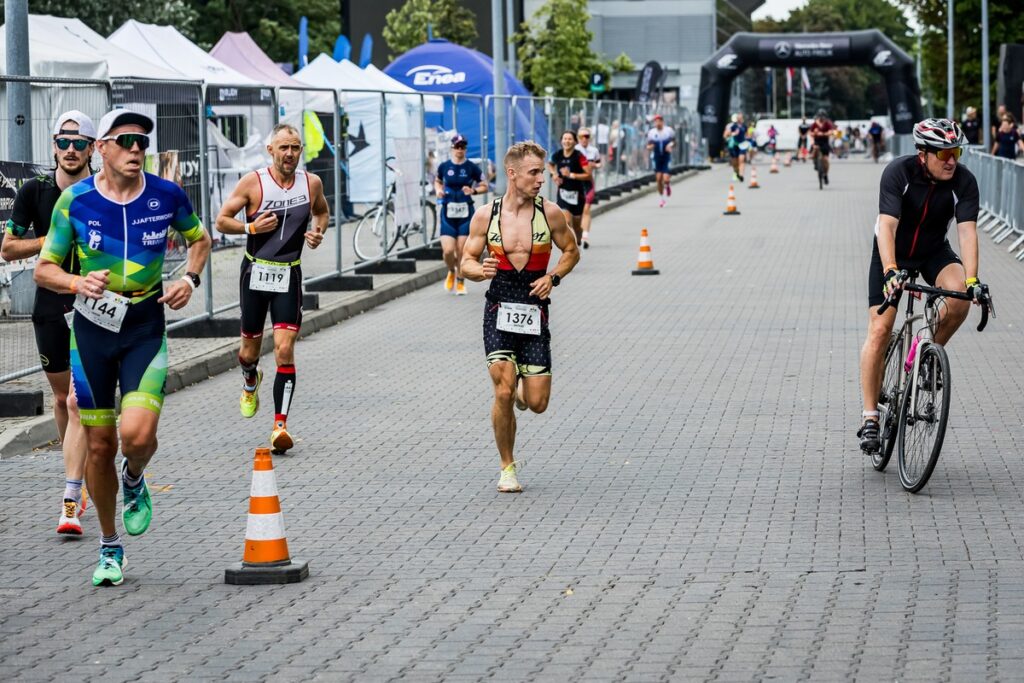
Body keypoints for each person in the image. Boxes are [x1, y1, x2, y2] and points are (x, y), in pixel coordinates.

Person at [34, 109, 212, 586]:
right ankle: (110, 546)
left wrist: (190, 280)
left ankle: (134, 476)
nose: (137, 149)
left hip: (143, 327)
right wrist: (76, 281)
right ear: (102, 148)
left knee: (135, 435)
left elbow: (201, 239)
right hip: (91, 332)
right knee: (98, 445)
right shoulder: (75, 201)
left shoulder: (167, 194)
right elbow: (44, 270)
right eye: (127, 140)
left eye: (142, 142)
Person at [857, 118, 982, 453]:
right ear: (922, 153)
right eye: (943, 154)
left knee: (960, 297)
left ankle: (926, 353)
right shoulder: (898, 173)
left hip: (932, 251)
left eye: (955, 152)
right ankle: (870, 417)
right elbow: (887, 226)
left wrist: (973, 280)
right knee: (880, 329)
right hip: (892, 252)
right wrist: (890, 271)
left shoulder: (964, 181)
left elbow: (967, 231)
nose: (951, 160)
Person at [460, 141, 580, 493]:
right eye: (534, 172)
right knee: (503, 390)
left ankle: (522, 395)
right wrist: (479, 271)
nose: (541, 179)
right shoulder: (486, 215)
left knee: (537, 403)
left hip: (534, 310)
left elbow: (571, 251)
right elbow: (466, 261)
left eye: (542, 172)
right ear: (512, 174)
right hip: (498, 309)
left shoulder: (551, 213)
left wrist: (553, 277)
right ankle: (507, 467)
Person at [2, 110, 95, 536]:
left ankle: (72, 494)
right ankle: (78, 469)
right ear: (54, 146)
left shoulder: (102, 190)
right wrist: (50, 238)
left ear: (92, 149)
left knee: (78, 401)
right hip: (51, 304)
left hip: (93, 303)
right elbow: (8, 249)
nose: (71, 150)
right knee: (62, 399)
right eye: (64, 142)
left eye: (80, 143)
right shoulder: (34, 191)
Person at [215, 124, 330, 455]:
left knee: (284, 349)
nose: (290, 154)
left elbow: (321, 211)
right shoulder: (253, 183)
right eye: (284, 148)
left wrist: (318, 232)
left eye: (295, 148)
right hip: (255, 273)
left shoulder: (312, 183)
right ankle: (250, 379)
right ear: (271, 150)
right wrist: (250, 227)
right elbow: (222, 220)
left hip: (289, 274)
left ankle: (280, 426)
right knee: (248, 352)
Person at [434, 135, 487, 295]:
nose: (460, 150)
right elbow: (437, 181)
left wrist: (473, 190)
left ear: (465, 149)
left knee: (462, 250)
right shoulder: (444, 166)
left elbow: (484, 185)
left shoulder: (471, 167)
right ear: (452, 148)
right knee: (448, 251)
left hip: (465, 213)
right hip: (448, 212)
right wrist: (438, 190)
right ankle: (451, 270)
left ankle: (461, 281)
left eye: (462, 147)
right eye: (457, 147)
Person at [547, 130, 591, 245]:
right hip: (563, 193)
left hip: (577, 194)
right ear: (561, 141)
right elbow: (550, 164)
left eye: (570, 139)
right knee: (566, 221)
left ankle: (579, 240)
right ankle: (570, 246)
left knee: (577, 224)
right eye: (565, 139)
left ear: (575, 142)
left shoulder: (579, 156)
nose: (567, 141)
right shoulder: (557, 154)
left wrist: (571, 175)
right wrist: (554, 174)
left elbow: (588, 175)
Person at [575, 127, 601, 249]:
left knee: (586, 210)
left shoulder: (594, 150)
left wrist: (594, 165)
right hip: (575, 184)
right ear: (578, 138)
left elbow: (599, 163)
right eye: (581, 137)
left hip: (588, 183)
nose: (584, 139)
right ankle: (578, 234)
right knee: (577, 214)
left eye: (586, 136)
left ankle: (585, 237)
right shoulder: (575, 150)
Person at [646, 114, 675, 208]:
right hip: (657, 157)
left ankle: (667, 184)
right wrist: (650, 147)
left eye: (659, 121)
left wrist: (670, 145)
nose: (657, 123)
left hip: (666, 156)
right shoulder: (651, 132)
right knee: (658, 179)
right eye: (656, 121)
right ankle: (662, 199)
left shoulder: (668, 131)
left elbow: (674, 142)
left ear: (662, 122)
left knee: (665, 178)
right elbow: (648, 145)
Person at [809, 109, 836, 184]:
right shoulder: (814, 124)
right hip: (817, 141)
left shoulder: (827, 123)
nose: (821, 118)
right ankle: (815, 162)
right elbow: (810, 133)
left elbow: (831, 131)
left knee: (826, 160)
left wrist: (824, 134)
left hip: (824, 142)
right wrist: (815, 133)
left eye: (823, 116)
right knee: (814, 149)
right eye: (820, 116)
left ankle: (825, 175)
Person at [723, 113, 747, 182]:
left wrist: (748, 141)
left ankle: (741, 175)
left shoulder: (744, 126)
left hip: (742, 145)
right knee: (735, 162)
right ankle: (736, 172)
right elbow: (725, 135)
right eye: (739, 118)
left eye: (741, 118)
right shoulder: (733, 126)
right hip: (734, 145)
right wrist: (732, 134)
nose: (740, 119)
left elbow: (747, 134)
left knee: (741, 160)